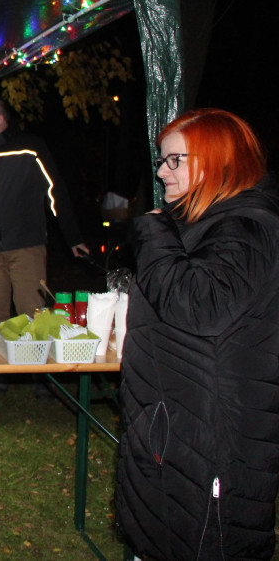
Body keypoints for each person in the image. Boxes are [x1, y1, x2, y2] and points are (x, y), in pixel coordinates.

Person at [115, 108, 279, 561]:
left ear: (218, 160)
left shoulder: (244, 227)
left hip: (211, 435)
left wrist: (153, 231)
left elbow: (197, 306)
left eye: (175, 160)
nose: (162, 171)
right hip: (179, 422)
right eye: (162, 160)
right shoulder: (208, 222)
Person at [0, 96, 88, 395]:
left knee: (33, 311)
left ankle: (42, 376)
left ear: (0, 118)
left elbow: (55, 190)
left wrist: (72, 236)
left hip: (27, 245)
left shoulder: (29, 147)